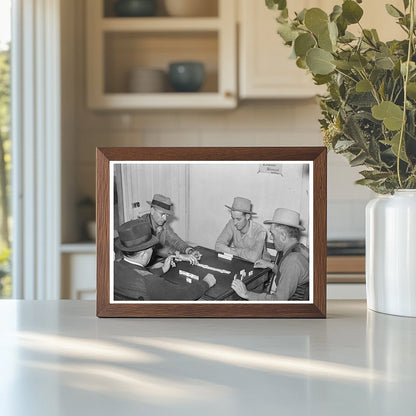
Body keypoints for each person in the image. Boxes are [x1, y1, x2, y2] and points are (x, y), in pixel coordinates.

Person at [114, 220, 216, 301]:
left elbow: (135, 274)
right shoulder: (150, 282)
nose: (153, 250)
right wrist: (206, 283)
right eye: (151, 248)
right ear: (143, 254)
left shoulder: (114, 266)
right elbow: (183, 295)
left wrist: (162, 269)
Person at [231, 208, 309, 301]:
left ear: (283, 236)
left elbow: (278, 300)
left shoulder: (292, 261)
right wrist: (271, 266)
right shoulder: (298, 249)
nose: (271, 238)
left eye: (272, 234)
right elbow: (288, 274)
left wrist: (247, 294)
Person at [140, 193, 201, 264]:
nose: (165, 218)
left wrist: (189, 250)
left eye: (167, 215)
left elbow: (175, 240)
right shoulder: (142, 225)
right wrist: (179, 255)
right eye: (162, 214)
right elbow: (155, 249)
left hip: (156, 261)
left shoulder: (163, 224)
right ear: (152, 211)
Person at [215, 197, 267, 263]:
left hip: (260, 268)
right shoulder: (231, 223)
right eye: (233, 218)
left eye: (238, 219)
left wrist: (233, 250)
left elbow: (254, 258)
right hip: (240, 262)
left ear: (247, 216)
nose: (234, 223)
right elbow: (218, 246)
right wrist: (240, 253)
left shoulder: (260, 231)